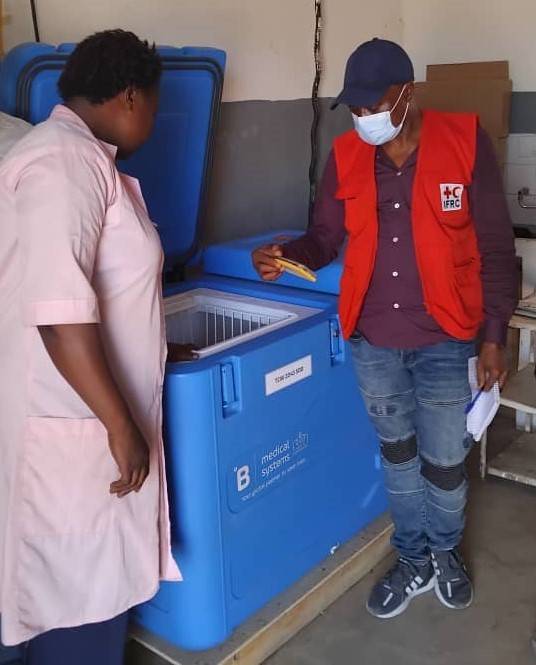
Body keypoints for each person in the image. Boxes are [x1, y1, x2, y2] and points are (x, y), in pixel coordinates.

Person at [252, 38, 517, 619]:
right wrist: (285, 253)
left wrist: (494, 336)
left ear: (408, 93)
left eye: (376, 104)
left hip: (448, 338)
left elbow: (498, 248)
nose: (365, 117)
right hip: (373, 341)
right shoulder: (346, 156)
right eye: (357, 108)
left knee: (445, 463)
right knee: (397, 458)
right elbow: (325, 238)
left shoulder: (465, 142)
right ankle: (412, 559)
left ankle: (446, 555)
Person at [0, 30, 196, 664]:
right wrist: (120, 424)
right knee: (73, 598)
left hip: (77, 414)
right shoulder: (65, 162)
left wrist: (158, 353)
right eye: (156, 105)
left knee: (80, 585)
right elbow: (60, 315)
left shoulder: (80, 158)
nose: (156, 120)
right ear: (130, 96)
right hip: (74, 428)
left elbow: (104, 293)